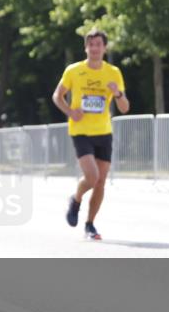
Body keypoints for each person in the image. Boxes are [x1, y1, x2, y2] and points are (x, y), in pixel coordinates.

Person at [52, 30, 130, 240]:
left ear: (105, 48)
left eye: (98, 44)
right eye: (91, 44)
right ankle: (76, 199)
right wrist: (70, 111)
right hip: (80, 131)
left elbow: (124, 108)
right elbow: (57, 96)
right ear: (86, 48)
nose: (94, 48)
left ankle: (90, 224)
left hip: (103, 132)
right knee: (92, 176)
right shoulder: (74, 71)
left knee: (101, 182)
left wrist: (118, 94)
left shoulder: (113, 72)